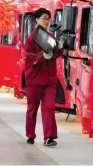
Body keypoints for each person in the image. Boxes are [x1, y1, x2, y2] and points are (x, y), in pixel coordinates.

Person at [23, 8, 63, 147]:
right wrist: (41, 57)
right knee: (32, 108)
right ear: (36, 20)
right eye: (44, 18)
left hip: (49, 80)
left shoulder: (51, 37)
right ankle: (30, 134)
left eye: (48, 19)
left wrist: (60, 49)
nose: (47, 21)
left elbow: (54, 54)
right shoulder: (30, 39)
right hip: (34, 80)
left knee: (49, 108)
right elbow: (28, 57)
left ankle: (49, 137)